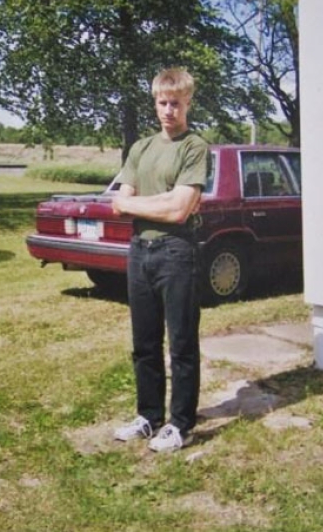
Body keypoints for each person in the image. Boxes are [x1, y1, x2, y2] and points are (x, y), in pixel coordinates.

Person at [111, 67, 208, 453]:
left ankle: (181, 424)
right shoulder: (141, 148)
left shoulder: (194, 147)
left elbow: (179, 211)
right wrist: (161, 201)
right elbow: (118, 202)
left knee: (181, 343)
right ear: (155, 103)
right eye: (163, 103)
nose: (169, 110)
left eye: (176, 104)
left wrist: (137, 204)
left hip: (177, 252)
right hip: (140, 252)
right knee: (144, 343)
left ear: (188, 103)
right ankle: (148, 416)